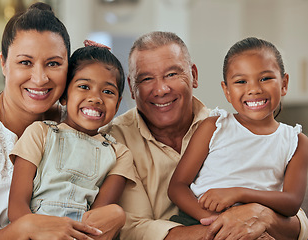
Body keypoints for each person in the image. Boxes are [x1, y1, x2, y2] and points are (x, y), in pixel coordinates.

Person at [0, 3, 124, 239]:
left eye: (53, 63)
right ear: (4, 63)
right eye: (25, 62)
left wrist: (118, 214)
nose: (40, 78)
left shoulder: (74, 123)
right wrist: (24, 228)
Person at [103, 31, 308, 239]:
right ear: (131, 87)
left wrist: (259, 216)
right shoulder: (114, 141)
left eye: (172, 74)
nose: (162, 89)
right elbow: (134, 229)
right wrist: (227, 228)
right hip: (203, 223)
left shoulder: (287, 139)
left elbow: (294, 213)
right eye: (146, 78)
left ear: (194, 75)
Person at [168, 37, 308, 227]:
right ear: (226, 91)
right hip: (198, 220)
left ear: (284, 83)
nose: (254, 89)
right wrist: (213, 221)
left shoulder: (296, 141)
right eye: (241, 81)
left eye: (265, 78)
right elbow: (177, 187)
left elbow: (291, 203)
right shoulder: (214, 127)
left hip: (254, 224)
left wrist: (239, 192)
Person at [8, 41, 135, 238]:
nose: (96, 98)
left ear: (118, 104)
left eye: (108, 91)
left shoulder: (119, 154)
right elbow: (17, 208)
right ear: (64, 95)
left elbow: (99, 220)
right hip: (34, 232)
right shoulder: (40, 134)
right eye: (84, 86)